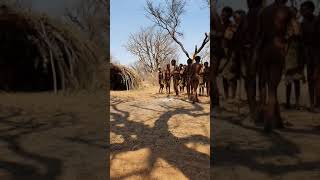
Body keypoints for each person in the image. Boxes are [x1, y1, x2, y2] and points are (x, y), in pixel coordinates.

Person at [257, 0, 293, 132]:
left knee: (270, 85)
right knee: (272, 88)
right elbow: (295, 31)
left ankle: (277, 120)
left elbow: (259, 34)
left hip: (264, 50)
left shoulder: (264, 11)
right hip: (277, 49)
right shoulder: (287, 10)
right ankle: (268, 121)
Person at [300, 1, 319, 112]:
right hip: (308, 54)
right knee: (311, 80)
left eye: (304, 9)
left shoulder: (317, 21)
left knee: (317, 79)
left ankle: (317, 103)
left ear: (311, 9)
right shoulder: (303, 23)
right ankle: (312, 103)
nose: (302, 12)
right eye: (301, 10)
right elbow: (303, 41)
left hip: (317, 53)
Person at [284, 7, 304, 109]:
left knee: (296, 80)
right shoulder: (285, 24)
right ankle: (287, 102)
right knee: (288, 80)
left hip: (297, 53)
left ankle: (297, 102)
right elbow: (286, 38)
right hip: (288, 53)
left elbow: (298, 35)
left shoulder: (298, 24)